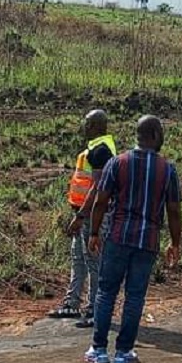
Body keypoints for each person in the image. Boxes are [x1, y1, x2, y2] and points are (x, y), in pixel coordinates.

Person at [81, 115, 182, 363]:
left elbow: (101, 200)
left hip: (117, 237)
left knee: (106, 292)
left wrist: (93, 232)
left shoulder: (118, 163)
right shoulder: (167, 169)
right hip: (147, 241)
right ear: (156, 136)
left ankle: (99, 349)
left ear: (138, 135)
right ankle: (124, 352)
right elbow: (174, 210)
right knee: (134, 297)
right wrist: (175, 241)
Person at [51, 109, 116, 326]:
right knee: (78, 258)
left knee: (93, 262)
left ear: (98, 126)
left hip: (92, 215)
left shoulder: (101, 151)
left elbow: (98, 187)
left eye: (88, 124)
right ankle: (72, 303)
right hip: (84, 213)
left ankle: (95, 309)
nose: (85, 128)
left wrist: (81, 215)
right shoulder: (96, 148)